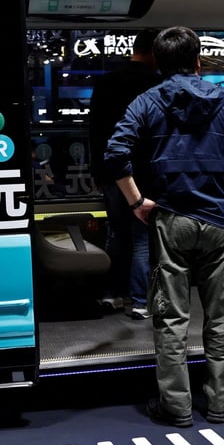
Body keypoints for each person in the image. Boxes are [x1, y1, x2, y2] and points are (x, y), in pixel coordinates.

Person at [104, 26, 224, 427]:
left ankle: (177, 407)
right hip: (217, 221)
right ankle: (219, 404)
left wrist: (136, 202)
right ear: (197, 62)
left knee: (171, 318)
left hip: (170, 220)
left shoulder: (146, 102)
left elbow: (115, 153)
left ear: (156, 61)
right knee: (221, 317)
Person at [88, 28, 163, 317]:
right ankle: (140, 303)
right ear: (155, 53)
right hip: (146, 173)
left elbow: (94, 132)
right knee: (142, 238)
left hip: (112, 173)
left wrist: (99, 171)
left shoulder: (106, 83)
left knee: (116, 234)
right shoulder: (157, 84)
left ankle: (111, 295)